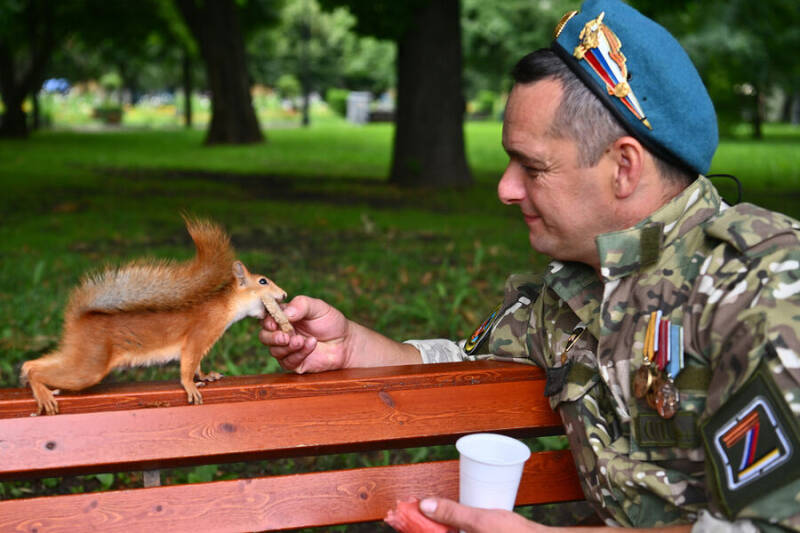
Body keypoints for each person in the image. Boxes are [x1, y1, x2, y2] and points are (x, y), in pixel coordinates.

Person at [260, 0, 800, 531]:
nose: (505, 189)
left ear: (624, 168)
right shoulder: (579, 288)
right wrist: (353, 346)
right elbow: (466, 367)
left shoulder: (763, 290)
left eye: (533, 167)